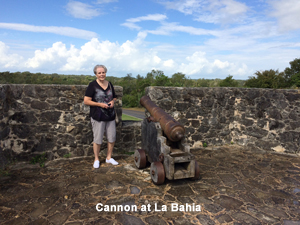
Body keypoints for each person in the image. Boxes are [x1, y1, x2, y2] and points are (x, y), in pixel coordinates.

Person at [84, 65, 119, 168]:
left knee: (111, 138)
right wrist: (100, 104)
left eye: (103, 72)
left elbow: (115, 97)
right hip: (98, 116)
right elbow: (86, 101)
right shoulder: (92, 85)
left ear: (105, 73)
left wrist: (112, 101)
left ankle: (108, 158)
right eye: (99, 73)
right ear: (96, 74)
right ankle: (96, 159)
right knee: (98, 139)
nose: (102, 74)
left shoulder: (110, 84)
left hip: (110, 116)